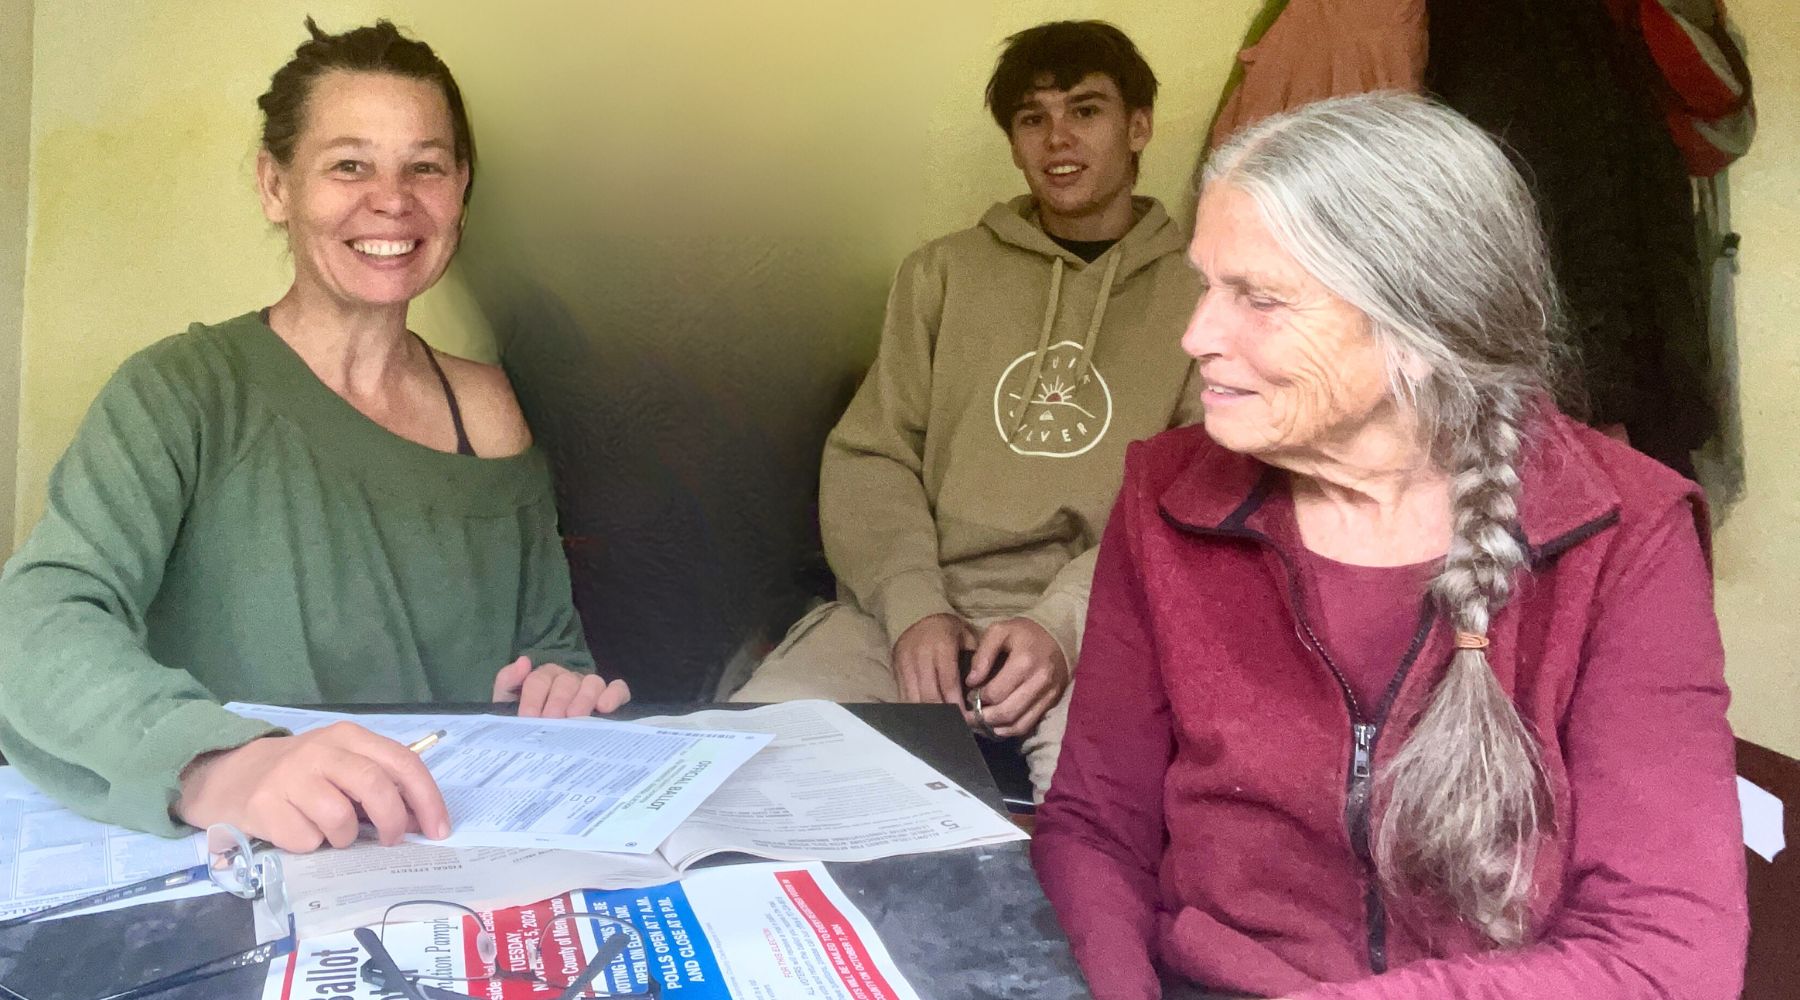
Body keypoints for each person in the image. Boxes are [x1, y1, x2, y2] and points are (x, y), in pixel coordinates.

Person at [1033, 93, 1747, 999]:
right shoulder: (1167, 496)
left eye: (1258, 298)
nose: (1197, 337)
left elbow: (1665, 956)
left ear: (1421, 329)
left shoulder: (1626, 530)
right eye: (1206, 284)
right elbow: (1098, 827)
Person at [0, 19, 630, 854]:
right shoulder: (181, 390)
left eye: (426, 167)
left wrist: (560, 689)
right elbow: (37, 620)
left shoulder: (488, 407)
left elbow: (551, 644)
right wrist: (222, 767)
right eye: (348, 164)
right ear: (275, 186)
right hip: (248, 864)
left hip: (453, 851)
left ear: (460, 191)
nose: (392, 199)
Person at [730, 20, 1201, 801]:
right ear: (1013, 143)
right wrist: (915, 610)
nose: (1058, 138)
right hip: (917, 610)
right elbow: (872, 457)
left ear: (1139, 125)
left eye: (1086, 110)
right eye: (1032, 118)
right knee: (741, 769)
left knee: (1111, 825)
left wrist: (1064, 623)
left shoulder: (1205, 294)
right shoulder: (941, 274)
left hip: (1102, 621)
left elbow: (1188, 496)